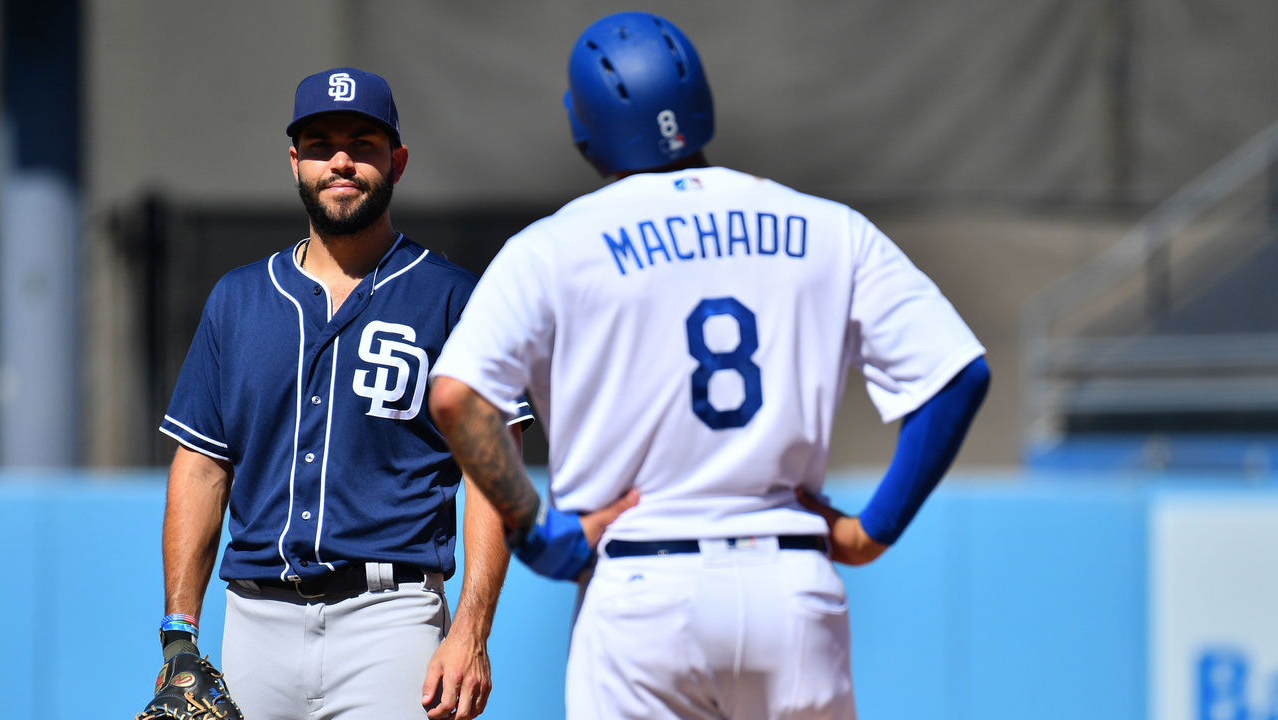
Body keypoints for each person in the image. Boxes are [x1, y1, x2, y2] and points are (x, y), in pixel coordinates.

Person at [429, 11, 990, 720]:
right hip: (792, 583)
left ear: (584, 127)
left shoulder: (552, 247)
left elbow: (456, 398)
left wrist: (536, 531)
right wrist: (871, 529)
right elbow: (956, 374)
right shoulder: (827, 227)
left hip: (641, 588)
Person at [156, 66, 543, 720]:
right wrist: (179, 636)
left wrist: (472, 633)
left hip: (391, 620)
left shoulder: (453, 298)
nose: (341, 161)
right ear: (295, 162)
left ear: (397, 161)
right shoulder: (239, 298)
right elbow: (200, 469)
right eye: (320, 145)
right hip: (255, 620)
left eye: (363, 143)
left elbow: (492, 478)